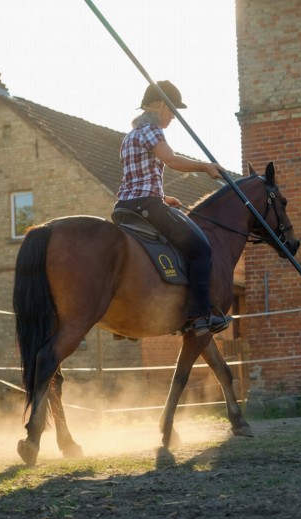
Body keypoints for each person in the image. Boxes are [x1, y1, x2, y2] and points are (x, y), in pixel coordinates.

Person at [114, 80, 231, 336]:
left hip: (126, 206)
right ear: (159, 105)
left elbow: (137, 180)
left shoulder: (130, 136)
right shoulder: (152, 130)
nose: (173, 116)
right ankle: (199, 316)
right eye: (172, 110)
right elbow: (170, 159)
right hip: (146, 206)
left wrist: (163, 197)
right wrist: (205, 166)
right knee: (200, 249)